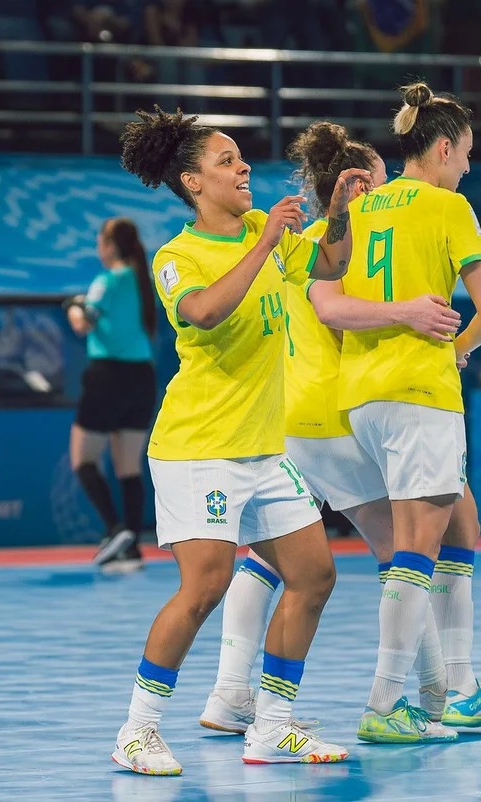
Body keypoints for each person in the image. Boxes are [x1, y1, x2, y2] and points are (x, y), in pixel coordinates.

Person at [199, 121, 481, 745]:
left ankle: (231, 692)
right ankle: (434, 691)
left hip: (283, 419)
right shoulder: (336, 246)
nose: (391, 190)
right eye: (380, 180)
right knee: (408, 550)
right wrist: (412, 314)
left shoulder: (297, 245)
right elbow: (336, 309)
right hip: (335, 414)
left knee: (266, 555)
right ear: (356, 184)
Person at [111, 106, 371, 775]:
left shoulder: (266, 228)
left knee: (314, 576)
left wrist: (337, 214)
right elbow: (203, 310)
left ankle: (272, 728)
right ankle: (136, 731)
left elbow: (327, 265)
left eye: (241, 157)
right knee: (205, 587)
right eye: (226, 161)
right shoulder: (177, 256)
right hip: (199, 446)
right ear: (194, 182)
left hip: (263, 449)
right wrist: (264, 246)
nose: (243, 167)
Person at [335, 82, 481, 743]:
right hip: (418, 393)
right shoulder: (449, 206)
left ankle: (458, 689)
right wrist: (459, 352)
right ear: (440, 148)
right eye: (464, 154)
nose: (466, 168)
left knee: (456, 526)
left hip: (361, 397)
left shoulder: (365, 206)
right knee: (416, 552)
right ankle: (385, 703)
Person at [65, 217, 158, 572]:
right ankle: (132, 546)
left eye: (100, 241)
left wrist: (72, 306)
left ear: (111, 246)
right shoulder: (142, 281)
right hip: (141, 378)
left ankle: (114, 528)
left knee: (83, 460)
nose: (97, 247)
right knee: (128, 467)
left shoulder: (106, 281)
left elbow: (82, 322)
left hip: (107, 376)